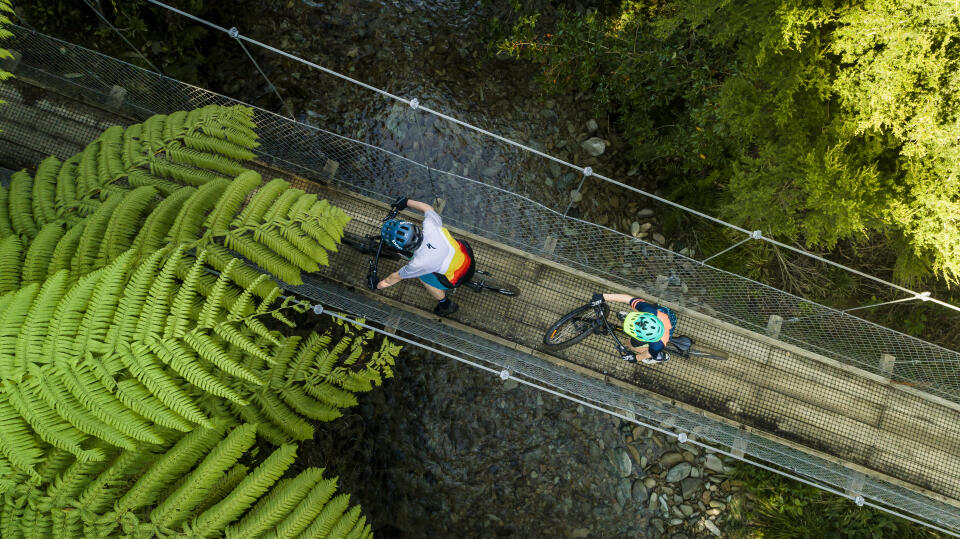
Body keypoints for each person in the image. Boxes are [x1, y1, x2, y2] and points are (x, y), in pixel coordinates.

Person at [375, 196, 475, 317]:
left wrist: (377, 285)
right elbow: (427, 208)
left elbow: (395, 277)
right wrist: (406, 202)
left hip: (458, 277)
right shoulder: (430, 225)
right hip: (467, 256)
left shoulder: (419, 264)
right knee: (449, 241)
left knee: (422, 275)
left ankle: (446, 305)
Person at [592, 292, 677, 364]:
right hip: (665, 314)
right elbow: (628, 299)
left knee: (631, 344)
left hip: (668, 327)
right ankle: (632, 319)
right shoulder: (648, 310)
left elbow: (647, 354)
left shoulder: (658, 345)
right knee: (638, 306)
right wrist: (603, 296)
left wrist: (636, 358)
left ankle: (658, 356)